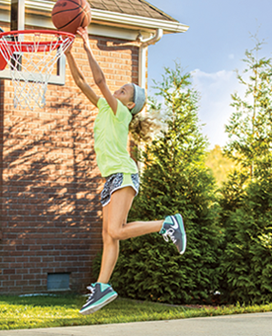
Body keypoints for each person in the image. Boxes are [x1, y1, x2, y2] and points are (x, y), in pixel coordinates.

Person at [65, 27, 186, 315]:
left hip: (123, 173)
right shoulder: (106, 109)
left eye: (123, 91)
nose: (116, 90)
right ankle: (103, 287)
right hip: (112, 177)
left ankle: (167, 224)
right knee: (109, 236)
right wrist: (68, 54)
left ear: (130, 104)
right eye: (118, 89)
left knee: (116, 230)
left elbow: (98, 79)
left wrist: (85, 45)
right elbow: (83, 82)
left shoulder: (119, 112)